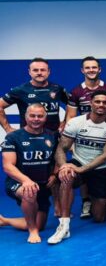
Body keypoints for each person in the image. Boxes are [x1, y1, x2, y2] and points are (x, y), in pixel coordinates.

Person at [48, 90, 106, 244]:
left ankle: (95, 200)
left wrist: (82, 170)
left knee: (99, 218)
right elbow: (61, 148)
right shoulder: (76, 122)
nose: (101, 105)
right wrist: (64, 166)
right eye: (97, 101)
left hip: (99, 169)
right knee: (64, 178)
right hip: (78, 163)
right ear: (91, 103)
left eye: (105, 102)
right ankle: (64, 225)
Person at [65, 56, 106, 218]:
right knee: (84, 170)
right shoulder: (76, 91)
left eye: (94, 67)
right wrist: (71, 141)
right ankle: (86, 202)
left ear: (100, 69)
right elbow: (70, 116)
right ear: (82, 70)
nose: (91, 70)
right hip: (84, 138)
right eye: (88, 67)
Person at [1, 104, 57, 243]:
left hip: (43, 185)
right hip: (18, 183)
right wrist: (26, 180)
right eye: (32, 116)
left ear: (45, 118)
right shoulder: (13, 137)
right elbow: (8, 166)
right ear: (26, 117)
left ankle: (4, 221)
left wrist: (54, 174)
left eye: (40, 116)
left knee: (40, 224)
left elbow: (57, 159)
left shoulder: (53, 136)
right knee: (29, 192)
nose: (36, 119)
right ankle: (33, 232)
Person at [0, 57, 68, 134]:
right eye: (35, 70)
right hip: (27, 138)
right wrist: (7, 128)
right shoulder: (20, 90)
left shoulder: (58, 89)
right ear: (29, 72)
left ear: (48, 71)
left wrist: (65, 121)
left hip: (54, 137)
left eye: (42, 70)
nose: (39, 73)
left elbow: (72, 105)